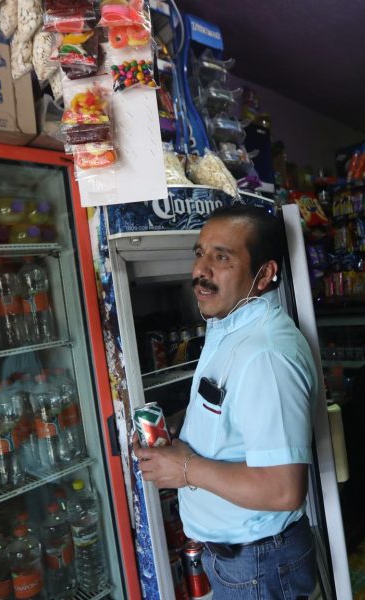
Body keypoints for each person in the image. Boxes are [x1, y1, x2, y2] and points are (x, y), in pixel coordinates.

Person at [133, 205, 318, 599]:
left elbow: (283, 490)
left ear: (264, 274)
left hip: (261, 566)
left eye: (222, 257)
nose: (201, 270)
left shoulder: (265, 353)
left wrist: (184, 468)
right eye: (199, 253)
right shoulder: (228, 328)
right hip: (243, 562)